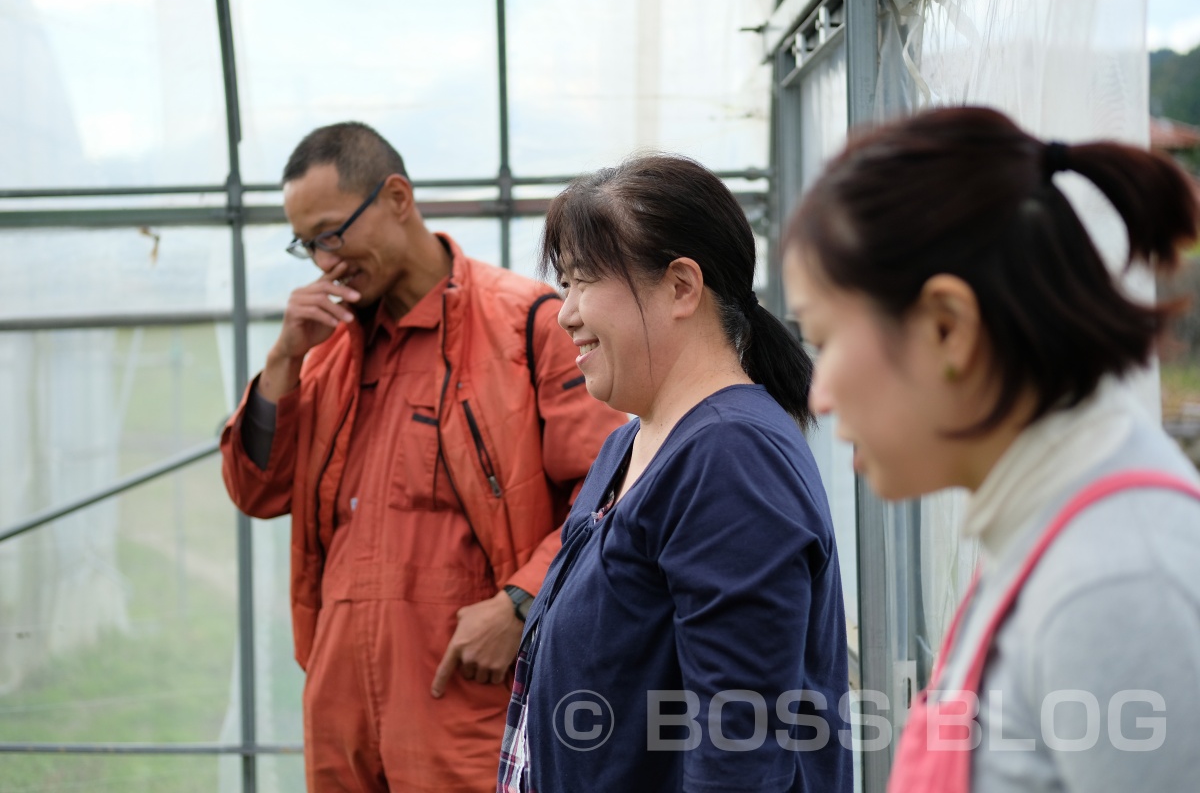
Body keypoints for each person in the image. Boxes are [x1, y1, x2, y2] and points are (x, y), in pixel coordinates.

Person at [783, 106, 1200, 793]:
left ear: (948, 327)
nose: (820, 395)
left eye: (825, 342)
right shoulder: (1044, 525)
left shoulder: (1118, 583)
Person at [219, 122, 628, 792]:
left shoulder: (529, 324)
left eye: (330, 234)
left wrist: (521, 602)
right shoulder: (321, 350)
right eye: (307, 245)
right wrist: (282, 361)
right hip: (341, 706)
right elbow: (256, 492)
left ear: (397, 198)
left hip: (467, 696)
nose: (324, 262)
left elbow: (611, 492)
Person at [497, 154, 853, 793]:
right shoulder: (631, 441)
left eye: (582, 281)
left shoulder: (730, 458)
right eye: (565, 284)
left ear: (682, 287)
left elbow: (740, 746)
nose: (564, 312)